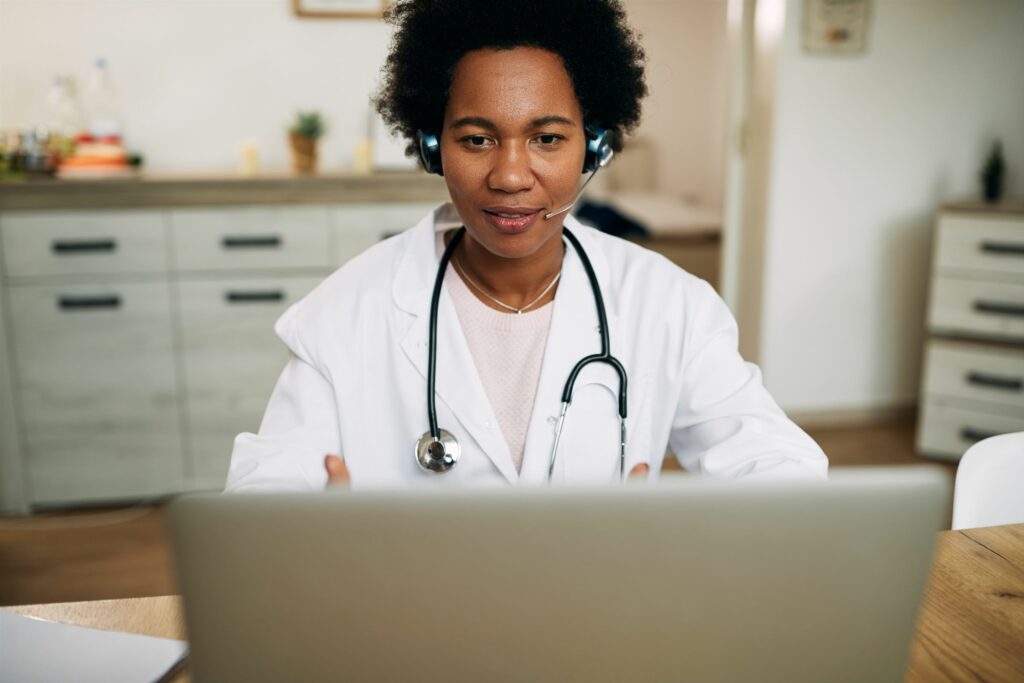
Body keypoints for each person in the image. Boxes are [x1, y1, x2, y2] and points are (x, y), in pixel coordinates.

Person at [226, 0, 827, 492]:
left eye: (545, 137)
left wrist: (681, 538)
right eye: (478, 139)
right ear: (434, 148)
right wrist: (310, 538)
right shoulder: (344, 311)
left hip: (599, 621)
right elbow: (264, 495)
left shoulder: (669, 305)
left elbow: (780, 471)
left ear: (593, 149)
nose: (511, 176)